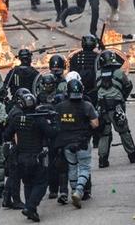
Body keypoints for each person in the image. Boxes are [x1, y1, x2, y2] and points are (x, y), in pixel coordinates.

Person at [4, 91, 57, 222]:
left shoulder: (17, 119)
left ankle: (30, 209)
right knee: (41, 183)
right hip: (36, 158)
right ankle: (31, 207)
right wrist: (54, 122)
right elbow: (52, 134)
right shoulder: (39, 120)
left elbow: (6, 135)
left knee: (28, 183)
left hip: (21, 158)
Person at [54, 79, 99, 209]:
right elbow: (95, 124)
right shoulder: (87, 106)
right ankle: (79, 191)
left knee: (72, 168)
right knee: (84, 168)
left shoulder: (60, 107)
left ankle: (74, 190)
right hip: (82, 143)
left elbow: (55, 123)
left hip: (66, 144)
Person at [96, 50, 135, 166]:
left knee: (104, 134)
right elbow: (128, 86)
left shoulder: (97, 74)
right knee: (123, 131)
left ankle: (102, 160)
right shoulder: (119, 72)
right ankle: (132, 155)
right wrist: (122, 98)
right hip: (116, 107)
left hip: (102, 108)